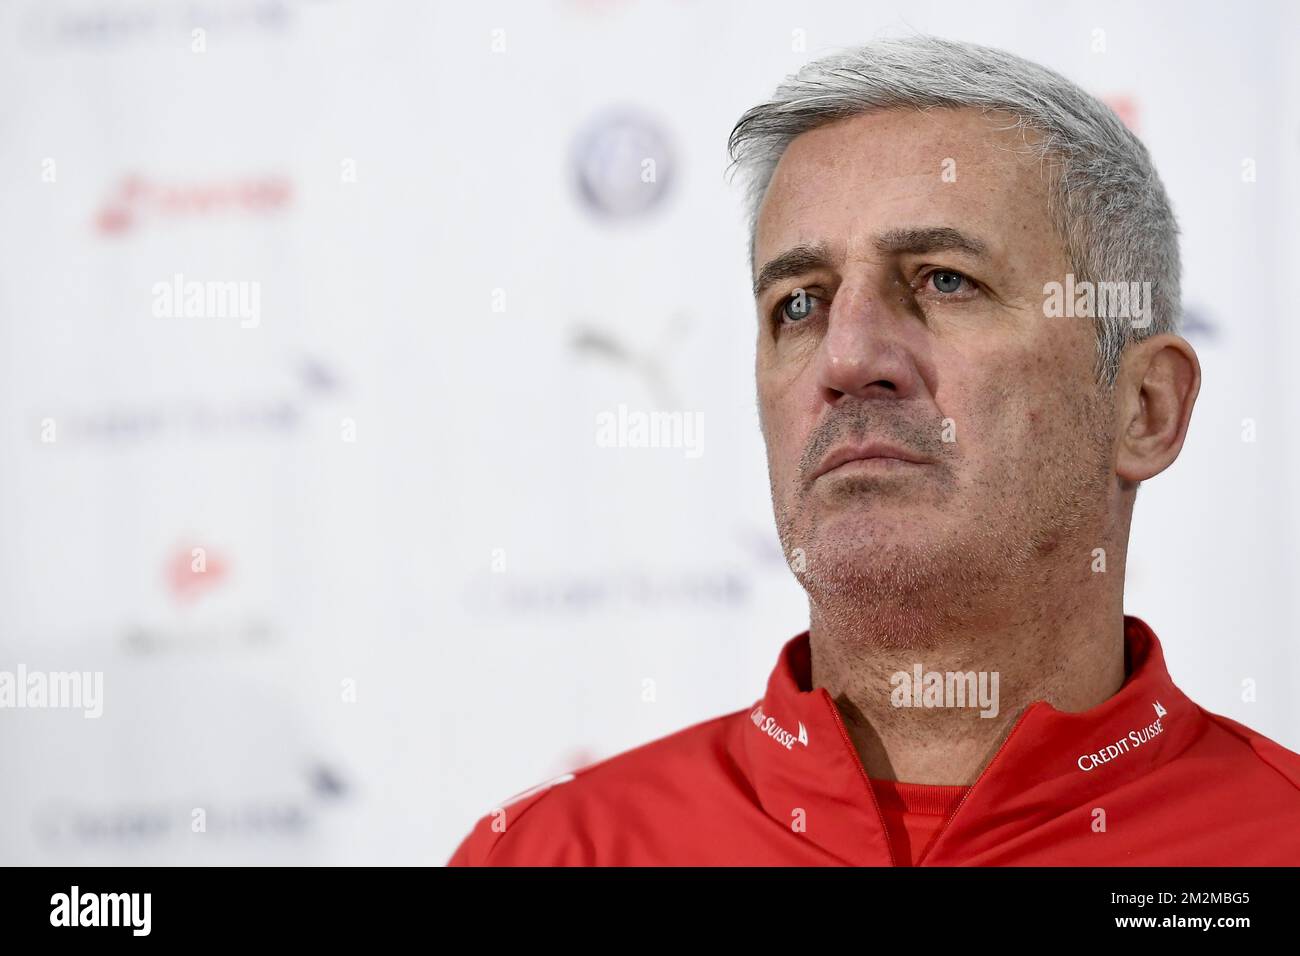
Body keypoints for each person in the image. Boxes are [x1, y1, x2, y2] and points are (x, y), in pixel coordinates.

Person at [448, 35, 1300, 866]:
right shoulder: (557, 853)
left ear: (1144, 408)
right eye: (798, 304)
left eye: (943, 280)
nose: (847, 359)